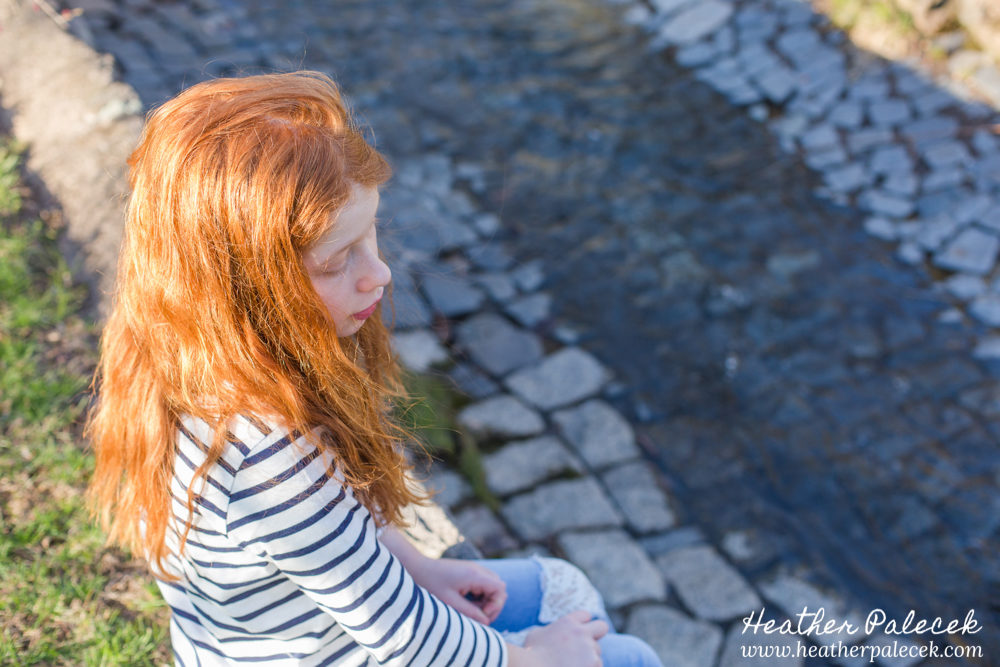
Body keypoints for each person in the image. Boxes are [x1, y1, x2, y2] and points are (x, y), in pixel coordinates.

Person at [86, 71, 663, 667]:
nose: (379, 273)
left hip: (288, 632)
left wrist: (417, 567)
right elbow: (406, 639)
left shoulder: (190, 348)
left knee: (566, 590)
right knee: (626, 656)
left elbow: (339, 532)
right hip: (326, 654)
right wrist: (538, 660)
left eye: (372, 234)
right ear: (245, 290)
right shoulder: (274, 466)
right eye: (339, 259)